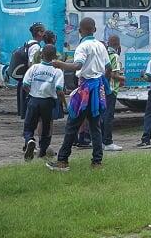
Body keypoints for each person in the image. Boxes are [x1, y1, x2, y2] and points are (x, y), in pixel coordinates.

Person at [47, 17, 110, 171]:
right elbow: (108, 67)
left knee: (72, 125)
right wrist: (101, 83)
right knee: (95, 127)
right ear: (94, 30)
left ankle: (62, 161)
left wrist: (60, 64)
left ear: (80, 31)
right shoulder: (101, 45)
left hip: (85, 90)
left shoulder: (82, 47)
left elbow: (77, 65)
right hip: (97, 89)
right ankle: (97, 162)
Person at [21, 45, 66, 160]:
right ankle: (42, 152)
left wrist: (32, 93)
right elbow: (59, 90)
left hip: (34, 100)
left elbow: (25, 84)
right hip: (48, 102)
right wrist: (64, 103)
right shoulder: (57, 71)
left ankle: (30, 140)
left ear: (41, 55)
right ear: (55, 56)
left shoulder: (34, 68)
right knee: (46, 128)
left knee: (29, 126)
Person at [17, 22, 45, 119]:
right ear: (39, 33)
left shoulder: (28, 43)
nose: (44, 33)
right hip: (29, 79)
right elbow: (31, 64)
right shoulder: (36, 46)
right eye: (43, 31)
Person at [102, 35, 125, 151]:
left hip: (103, 89)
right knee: (109, 116)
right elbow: (114, 75)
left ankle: (102, 141)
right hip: (111, 89)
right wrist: (123, 78)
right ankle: (108, 142)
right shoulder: (115, 56)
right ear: (118, 44)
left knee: (103, 115)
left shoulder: (104, 54)